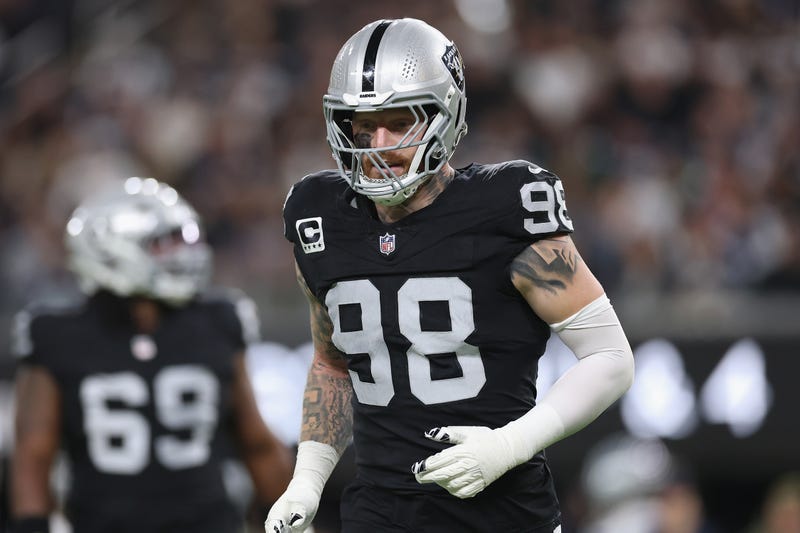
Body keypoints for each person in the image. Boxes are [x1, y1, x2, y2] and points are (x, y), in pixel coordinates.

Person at [267, 17, 635, 533]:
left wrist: (512, 443)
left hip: (503, 517)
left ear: (447, 115)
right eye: (362, 125)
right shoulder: (319, 213)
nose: (377, 144)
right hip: (379, 514)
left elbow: (610, 357)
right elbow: (332, 364)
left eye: (399, 121)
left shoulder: (504, 207)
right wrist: (306, 480)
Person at [9, 177, 293, 533]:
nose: (182, 254)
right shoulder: (57, 335)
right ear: (110, 249)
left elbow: (258, 444)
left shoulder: (217, 320)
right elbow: (34, 457)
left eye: (184, 240)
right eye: (164, 244)